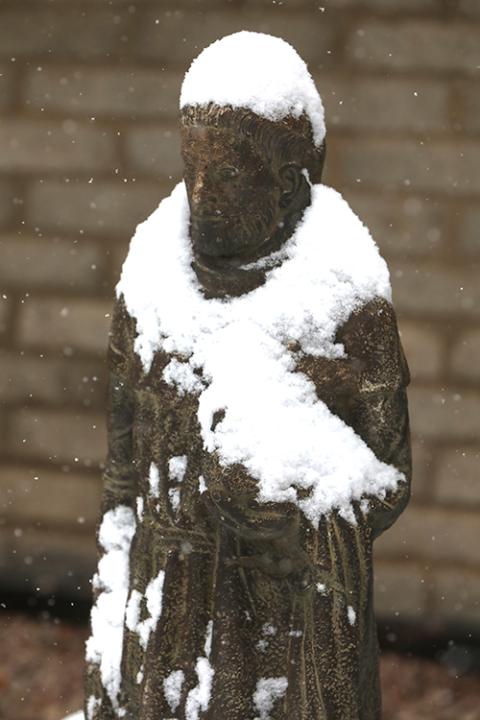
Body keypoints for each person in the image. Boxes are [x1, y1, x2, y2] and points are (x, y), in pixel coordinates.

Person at [84, 32, 411, 720]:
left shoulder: (342, 298)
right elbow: (121, 474)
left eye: (231, 173)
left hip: (274, 628)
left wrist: (291, 506)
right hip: (162, 610)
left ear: (290, 181)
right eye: (191, 167)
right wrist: (116, 599)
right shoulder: (150, 280)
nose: (203, 194)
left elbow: (387, 477)